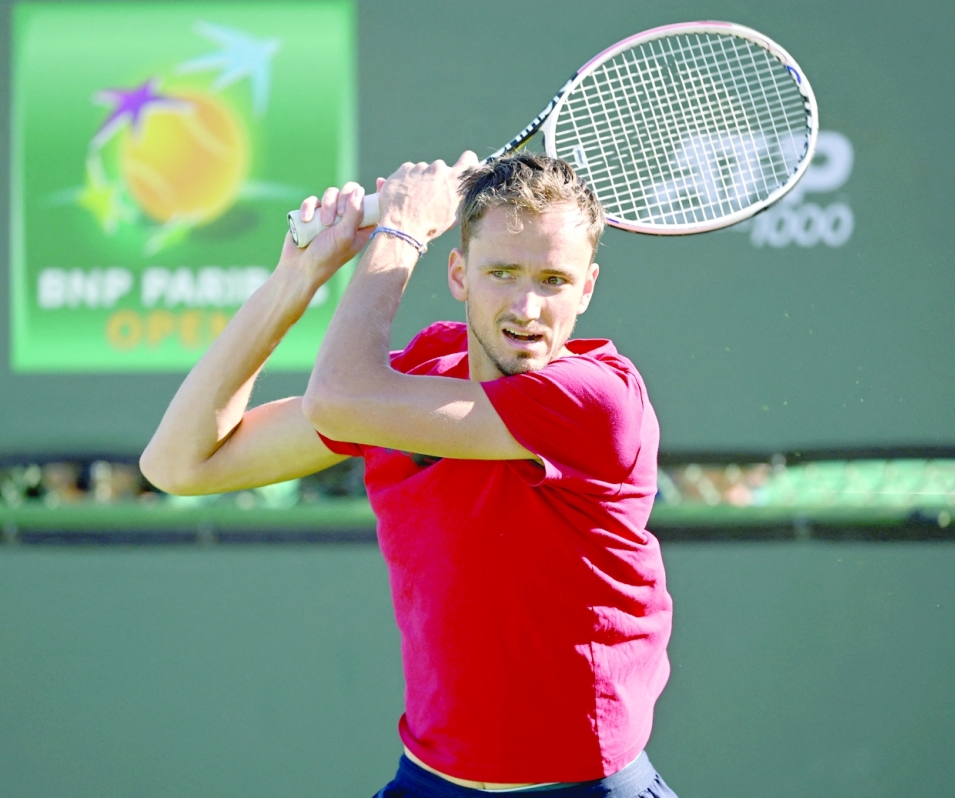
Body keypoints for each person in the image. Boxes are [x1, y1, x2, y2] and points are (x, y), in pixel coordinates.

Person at [141, 151, 676, 798]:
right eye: (501, 272)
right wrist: (297, 277)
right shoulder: (417, 377)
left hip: (585, 787)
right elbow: (179, 463)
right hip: (430, 780)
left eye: (553, 280)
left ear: (587, 287)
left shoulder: (597, 402)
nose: (527, 306)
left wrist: (399, 231)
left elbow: (339, 396)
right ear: (459, 274)